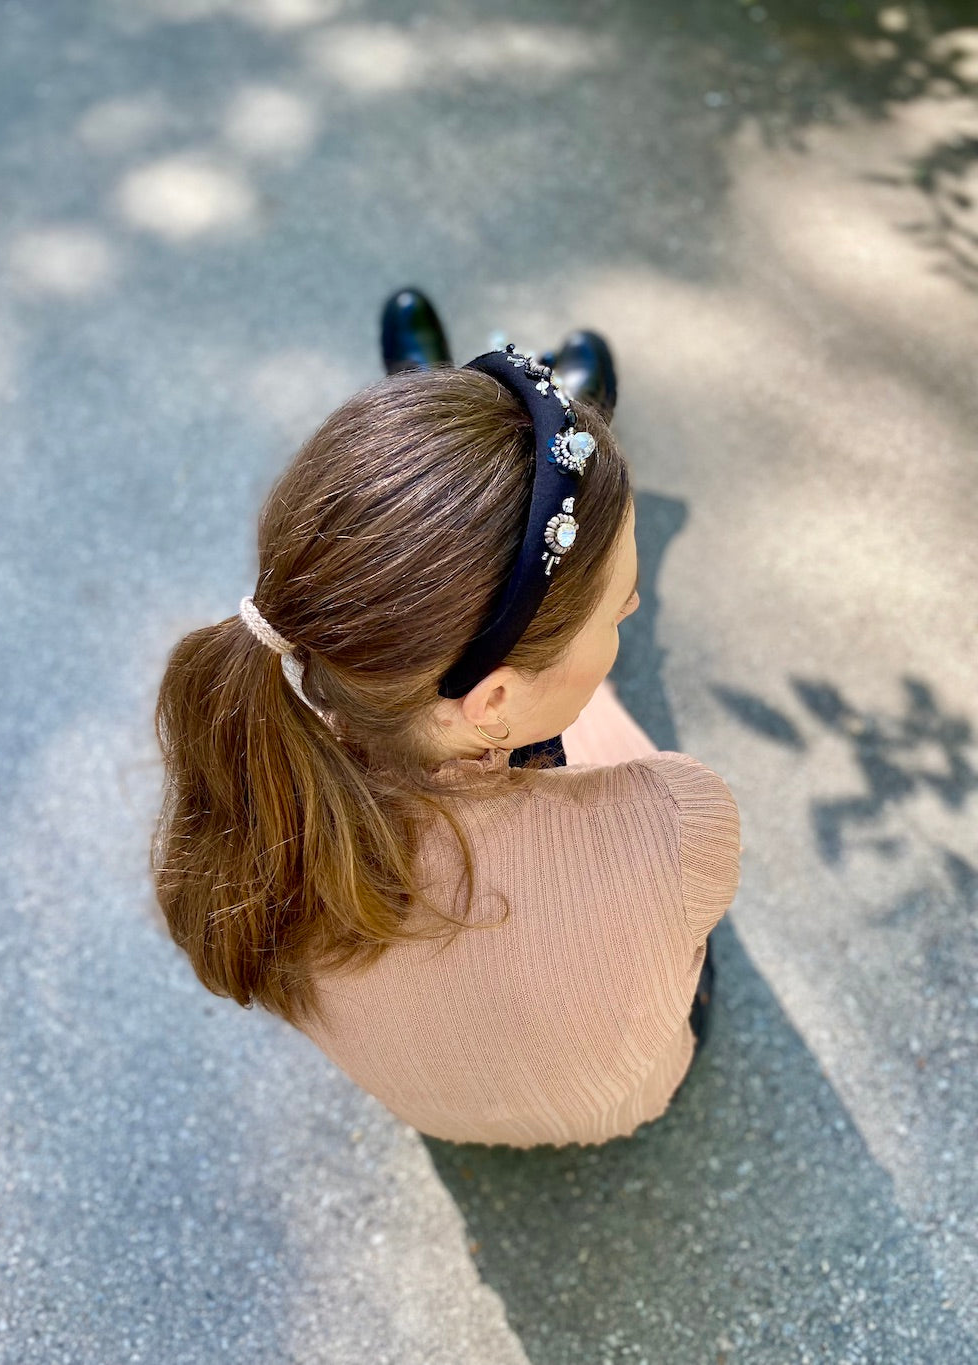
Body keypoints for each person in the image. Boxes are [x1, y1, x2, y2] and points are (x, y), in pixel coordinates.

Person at [151, 289, 741, 1149]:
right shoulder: (678, 819)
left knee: (513, 668)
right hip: (622, 1098)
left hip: (434, 1105)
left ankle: (459, 493)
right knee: (588, 714)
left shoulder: (264, 801)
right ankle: (522, 476)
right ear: (492, 702)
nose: (638, 605)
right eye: (620, 611)